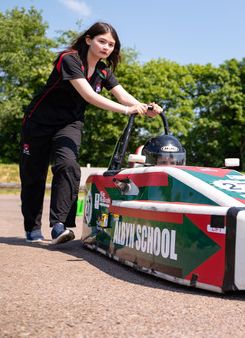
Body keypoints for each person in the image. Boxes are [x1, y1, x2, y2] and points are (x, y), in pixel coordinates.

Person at [20, 22, 162, 244]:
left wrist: (147, 109)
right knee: (33, 177)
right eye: (102, 41)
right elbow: (89, 96)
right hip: (38, 122)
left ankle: (59, 226)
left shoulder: (104, 71)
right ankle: (32, 229)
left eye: (111, 44)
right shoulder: (69, 59)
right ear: (88, 40)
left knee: (68, 165)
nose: (106, 47)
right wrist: (127, 110)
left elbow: (126, 98)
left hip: (69, 124)